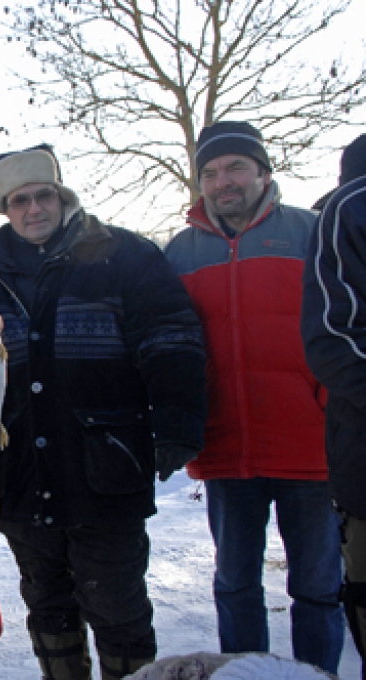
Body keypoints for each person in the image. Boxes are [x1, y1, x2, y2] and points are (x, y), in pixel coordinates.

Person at [0, 145, 207, 680]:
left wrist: (178, 420)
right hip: (19, 477)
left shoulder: (125, 256)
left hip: (106, 472)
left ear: (62, 197)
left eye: (43, 196)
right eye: (19, 201)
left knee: (119, 613)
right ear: (4, 209)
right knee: (49, 611)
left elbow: (171, 338)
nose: (33, 209)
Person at [163, 121, 345, 674]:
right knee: (236, 585)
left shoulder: (313, 234)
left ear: (264, 172)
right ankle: (245, 674)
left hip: (309, 445)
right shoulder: (181, 253)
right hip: (226, 449)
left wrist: (330, 408)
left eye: (236, 167)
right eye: (211, 173)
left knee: (316, 587)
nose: (223, 182)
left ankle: (319, 675)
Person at [302, 131, 366, 674]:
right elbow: (332, 338)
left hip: (312, 449)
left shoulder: (310, 223)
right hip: (353, 454)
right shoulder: (351, 207)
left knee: (319, 588)